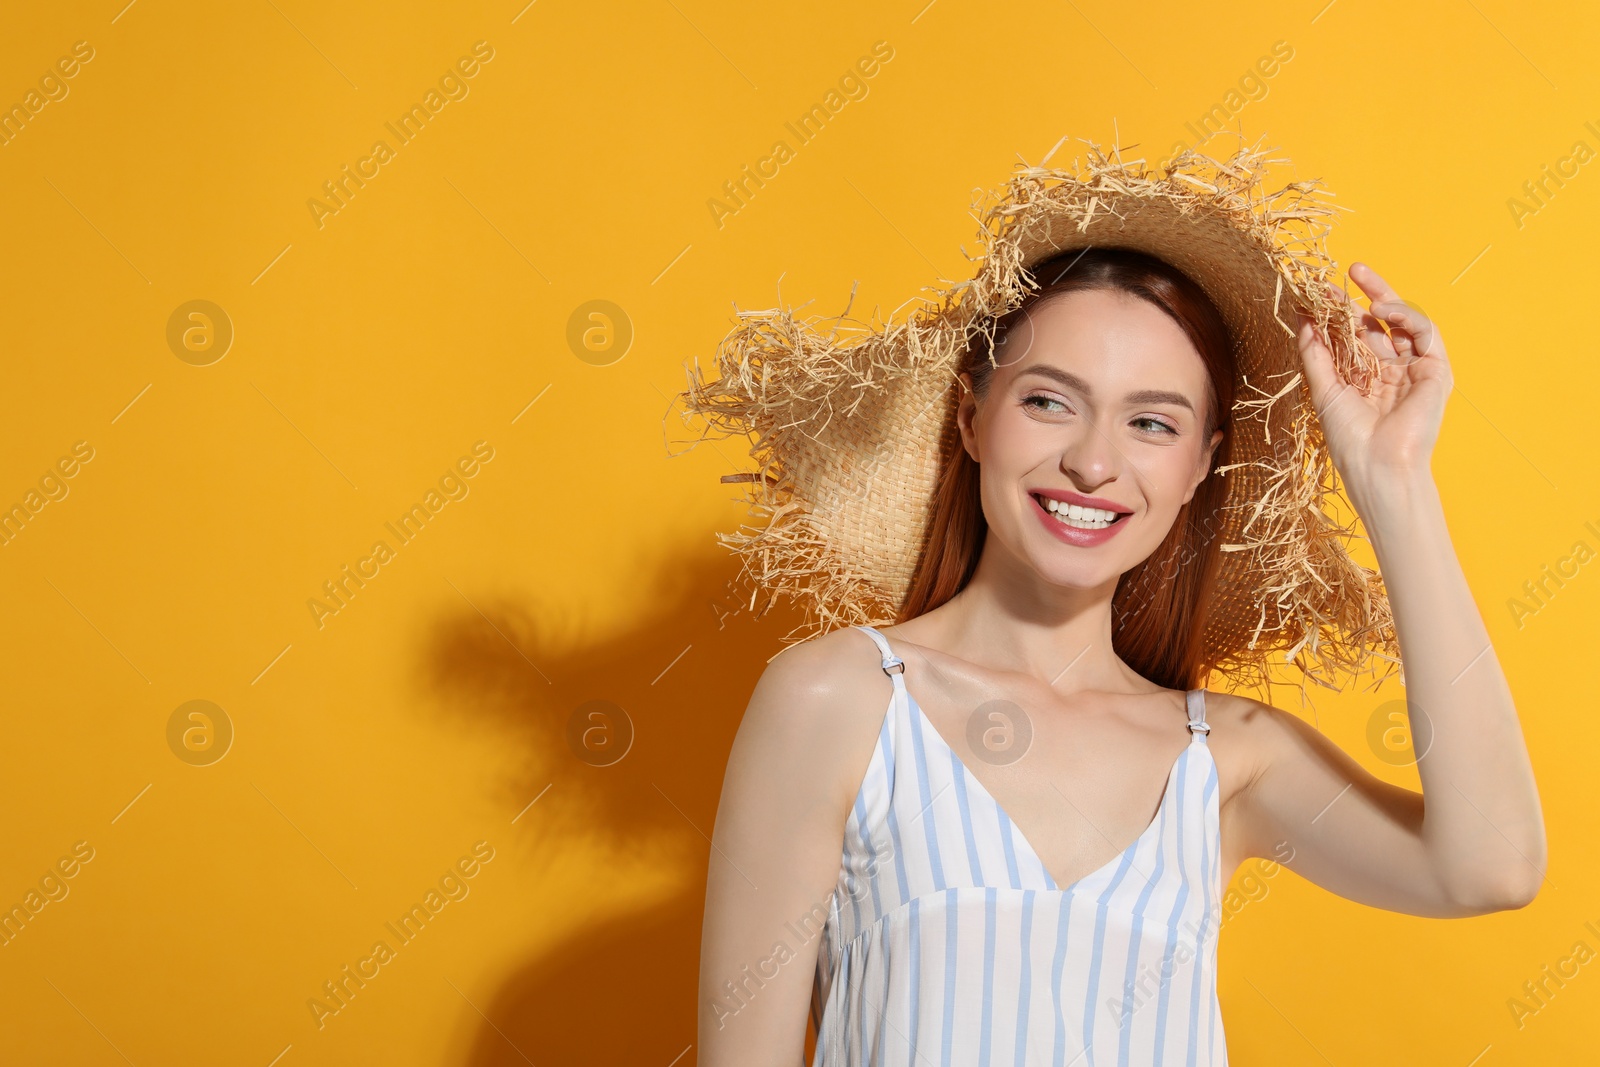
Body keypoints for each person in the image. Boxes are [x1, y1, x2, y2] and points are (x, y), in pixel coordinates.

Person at [679, 138, 1546, 1067]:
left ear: (1199, 464)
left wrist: (1393, 479)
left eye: (1151, 423)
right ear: (973, 418)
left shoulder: (1228, 759)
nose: (1095, 462)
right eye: (1051, 402)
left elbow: (1490, 864)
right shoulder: (841, 698)